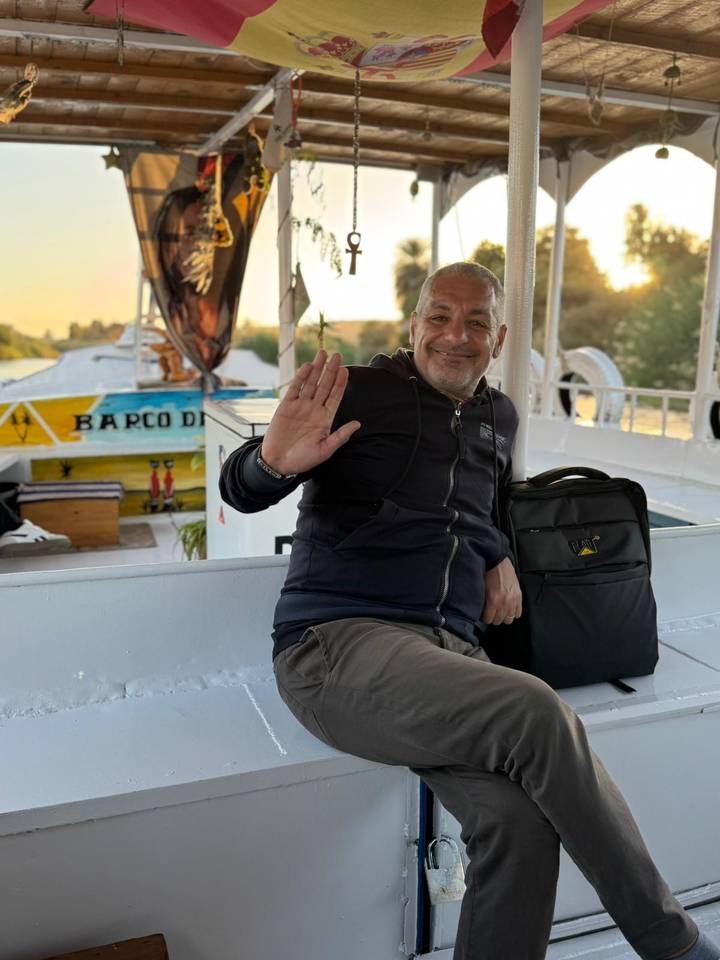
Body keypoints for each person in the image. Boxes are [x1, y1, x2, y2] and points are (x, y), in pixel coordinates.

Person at [219, 262, 717, 960]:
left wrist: (494, 550)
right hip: (337, 646)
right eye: (440, 316)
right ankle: (674, 943)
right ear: (415, 325)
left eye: (476, 321)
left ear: (499, 336)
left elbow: (478, 505)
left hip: (450, 657)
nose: (456, 334)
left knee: (518, 822)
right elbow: (241, 488)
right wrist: (270, 463)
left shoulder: (498, 415)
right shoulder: (357, 393)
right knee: (539, 713)